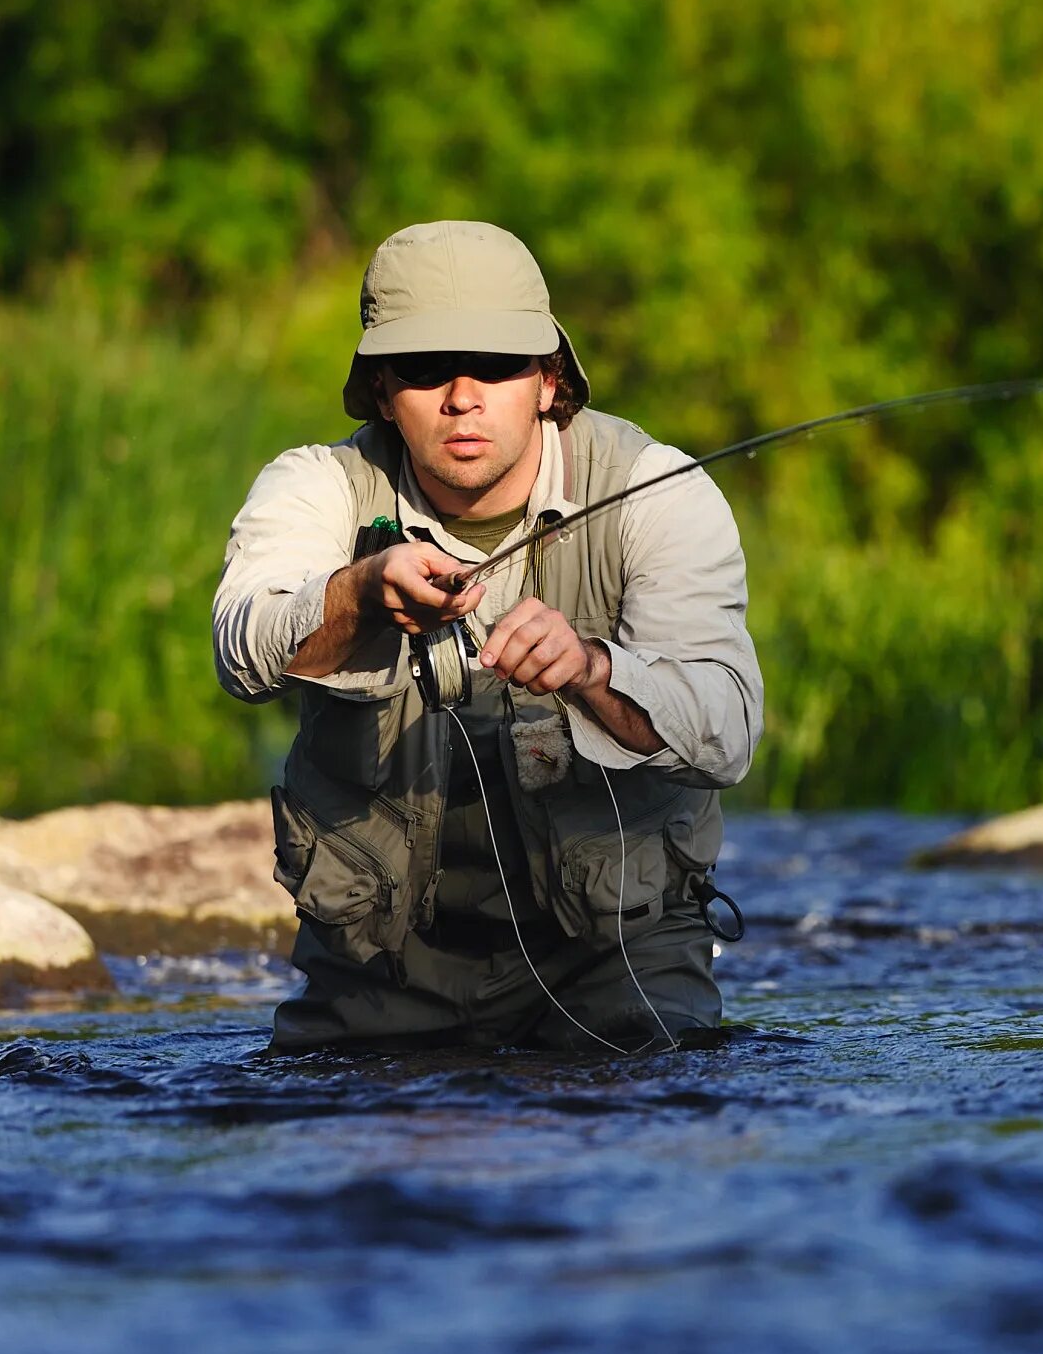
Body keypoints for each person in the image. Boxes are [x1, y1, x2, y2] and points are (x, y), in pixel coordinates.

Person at [213, 220, 762, 1052]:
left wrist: (589, 671)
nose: (462, 395)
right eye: (428, 369)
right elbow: (242, 648)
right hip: (378, 968)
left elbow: (726, 732)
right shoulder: (317, 488)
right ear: (385, 387)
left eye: (497, 365)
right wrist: (360, 594)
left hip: (617, 957)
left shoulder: (656, 490)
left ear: (548, 381)